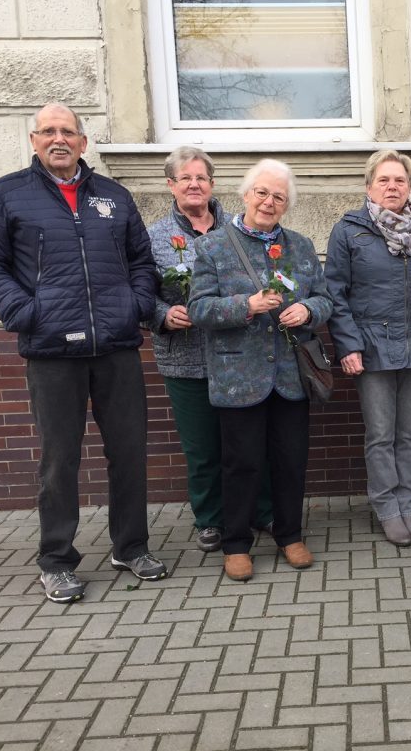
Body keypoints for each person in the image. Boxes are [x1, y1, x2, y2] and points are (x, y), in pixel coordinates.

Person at [0, 103, 167, 603]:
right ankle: (56, 559)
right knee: (60, 460)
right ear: (34, 140)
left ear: (83, 141)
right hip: (52, 351)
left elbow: (142, 261)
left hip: (115, 347)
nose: (59, 139)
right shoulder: (5, 195)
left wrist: (135, 306)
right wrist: (26, 313)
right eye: (48, 131)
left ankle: (131, 546)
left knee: (129, 453)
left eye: (68, 132)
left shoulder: (114, 197)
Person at [188, 159, 332, 580]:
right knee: (241, 463)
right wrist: (245, 306)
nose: (269, 202)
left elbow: (324, 299)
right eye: (262, 193)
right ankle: (236, 544)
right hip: (239, 377)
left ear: (287, 205)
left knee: (290, 460)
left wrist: (307, 309)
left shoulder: (301, 246)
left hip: (290, 375)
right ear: (246, 194)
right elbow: (198, 308)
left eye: (279, 197)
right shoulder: (214, 247)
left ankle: (289, 535)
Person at [146, 146, 272, 553]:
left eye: (201, 178)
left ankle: (259, 510)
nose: (194, 185)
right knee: (202, 447)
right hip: (187, 358)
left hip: (239, 355)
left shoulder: (237, 232)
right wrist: (163, 314)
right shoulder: (155, 237)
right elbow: (138, 293)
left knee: (250, 441)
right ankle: (211, 519)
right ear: (171, 185)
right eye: (185, 178)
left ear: (212, 184)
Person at [325, 149, 411, 547]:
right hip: (371, 345)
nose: (392, 187)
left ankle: (408, 504)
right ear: (369, 186)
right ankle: (387, 507)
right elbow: (335, 293)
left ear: (410, 186)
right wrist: (348, 345)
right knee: (381, 433)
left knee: (410, 432)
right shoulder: (349, 230)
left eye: (400, 180)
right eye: (384, 180)